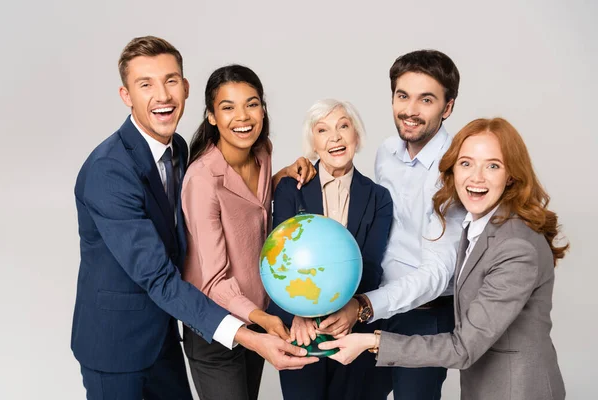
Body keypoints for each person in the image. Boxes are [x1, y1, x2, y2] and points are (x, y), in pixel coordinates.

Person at [71, 37, 316, 400]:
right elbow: (157, 276)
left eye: (171, 81)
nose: (162, 95)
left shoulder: (178, 149)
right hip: (116, 343)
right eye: (146, 84)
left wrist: (278, 177)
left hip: (164, 332)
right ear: (126, 96)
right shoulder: (110, 170)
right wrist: (248, 335)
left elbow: (227, 196)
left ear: (185, 88)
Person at [321, 117, 568, 400]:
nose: (476, 177)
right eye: (466, 163)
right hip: (487, 385)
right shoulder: (479, 226)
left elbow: (463, 348)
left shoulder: (515, 246)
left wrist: (371, 341)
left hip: (517, 389)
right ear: (452, 169)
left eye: (493, 165)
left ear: (511, 175)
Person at [324, 49, 465, 399]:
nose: (410, 110)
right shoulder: (386, 152)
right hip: (372, 304)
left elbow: (437, 273)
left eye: (426, 99)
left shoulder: (456, 169)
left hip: (424, 316)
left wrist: (366, 305)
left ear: (447, 108)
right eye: (402, 96)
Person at [180, 64, 319, 400]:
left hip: (255, 317)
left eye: (251, 103)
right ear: (211, 116)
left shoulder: (263, 151)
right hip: (217, 328)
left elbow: (251, 207)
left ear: (263, 108)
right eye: (228, 107)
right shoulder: (202, 180)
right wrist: (263, 319)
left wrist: (285, 172)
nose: (242, 116)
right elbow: (212, 281)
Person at [266, 99, 393, 400]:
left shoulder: (378, 197)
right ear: (313, 143)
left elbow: (372, 265)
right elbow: (276, 259)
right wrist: (299, 314)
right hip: (299, 331)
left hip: (352, 331)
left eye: (343, 126)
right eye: (322, 130)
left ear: (357, 136)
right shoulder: (289, 190)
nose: (335, 137)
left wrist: (351, 314)